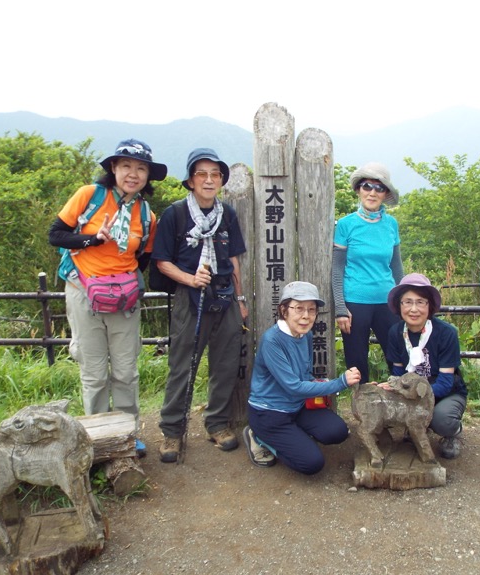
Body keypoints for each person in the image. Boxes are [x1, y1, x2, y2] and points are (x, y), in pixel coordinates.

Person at [49, 139, 166, 458]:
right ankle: (98, 438)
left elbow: (144, 256)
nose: (133, 173)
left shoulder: (146, 216)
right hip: (83, 291)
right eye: (126, 165)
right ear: (113, 168)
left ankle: (126, 435)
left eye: (141, 168)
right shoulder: (89, 196)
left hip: (124, 298)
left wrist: (121, 280)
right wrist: (90, 239)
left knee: (126, 371)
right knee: (94, 371)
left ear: (148, 176)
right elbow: (56, 234)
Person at [154, 148, 248, 463]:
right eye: (202, 174)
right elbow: (162, 261)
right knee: (182, 366)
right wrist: (190, 279)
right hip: (189, 298)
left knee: (224, 364)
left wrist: (240, 297)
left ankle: (216, 423)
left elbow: (233, 258)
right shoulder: (176, 214)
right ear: (191, 180)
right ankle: (172, 431)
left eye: (215, 174)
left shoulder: (228, 214)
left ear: (221, 180)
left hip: (225, 297)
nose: (209, 180)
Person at [243, 281, 361, 474]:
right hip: (270, 413)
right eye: (299, 308)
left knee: (338, 432)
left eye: (311, 310)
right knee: (311, 463)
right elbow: (294, 387)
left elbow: (304, 375)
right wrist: (340, 383)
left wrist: (323, 383)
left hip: (298, 406)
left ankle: (294, 435)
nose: (306, 316)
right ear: (284, 310)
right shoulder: (272, 340)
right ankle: (258, 436)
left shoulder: (305, 335)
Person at [383, 273, 468, 459]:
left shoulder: (446, 333)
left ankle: (452, 432)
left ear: (429, 306)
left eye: (420, 302)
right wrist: (391, 387)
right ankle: (417, 426)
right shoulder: (395, 333)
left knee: (442, 420)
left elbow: (446, 383)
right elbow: (398, 373)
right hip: (412, 392)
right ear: (399, 305)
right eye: (407, 302)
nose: (413, 309)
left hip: (446, 392)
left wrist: (412, 397)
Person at [332, 162, 403, 383]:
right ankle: (361, 407)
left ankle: (402, 403)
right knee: (356, 360)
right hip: (355, 301)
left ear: (385, 193)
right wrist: (340, 308)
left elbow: (397, 267)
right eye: (366, 186)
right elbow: (337, 268)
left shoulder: (391, 224)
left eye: (379, 188)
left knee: (398, 355)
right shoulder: (345, 225)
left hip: (387, 300)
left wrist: (403, 301)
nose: (372, 192)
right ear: (358, 190)